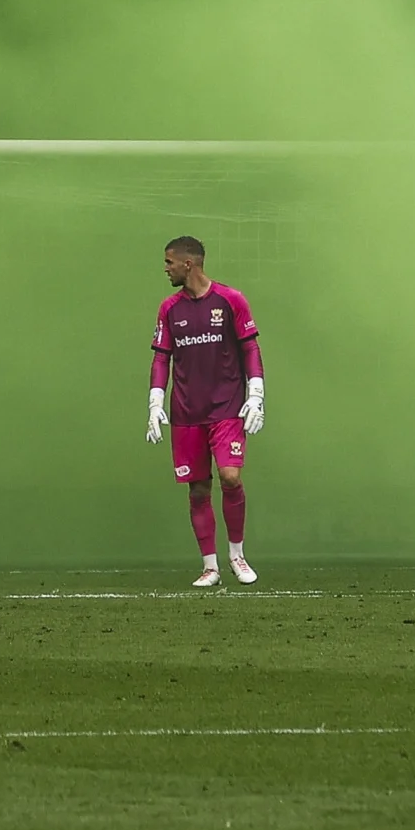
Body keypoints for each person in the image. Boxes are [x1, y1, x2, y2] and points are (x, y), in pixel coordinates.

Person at [148, 235, 266, 587]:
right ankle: (210, 567)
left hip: (227, 406)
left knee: (230, 477)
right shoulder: (169, 308)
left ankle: (237, 555)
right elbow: (161, 358)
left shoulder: (231, 300)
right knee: (198, 488)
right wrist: (155, 403)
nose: (165, 269)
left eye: (169, 262)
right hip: (186, 412)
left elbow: (250, 348)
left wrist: (256, 394)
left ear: (188, 264)